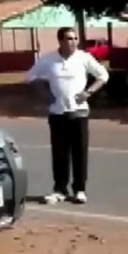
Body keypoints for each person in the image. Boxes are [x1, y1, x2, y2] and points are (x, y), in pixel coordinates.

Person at [26, 27, 109, 204]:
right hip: (57, 114)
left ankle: (79, 189)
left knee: (80, 153)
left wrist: (88, 92)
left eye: (75, 38)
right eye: (69, 39)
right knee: (59, 154)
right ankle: (60, 189)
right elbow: (31, 76)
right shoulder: (49, 60)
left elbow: (103, 75)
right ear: (61, 41)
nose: (73, 42)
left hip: (79, 114)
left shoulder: (83, 58)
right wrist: (45, 95)